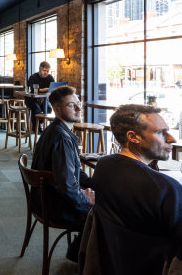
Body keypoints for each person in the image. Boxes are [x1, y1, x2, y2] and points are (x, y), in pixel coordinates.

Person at [86, 104, 182, 274]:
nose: (171, 139)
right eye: (161, 133)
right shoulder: (165, 190)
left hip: (116, 263)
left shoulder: (103, 166)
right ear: (133, 137)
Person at [30, 85, 94, 262]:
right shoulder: (62, 138)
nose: (79, 108)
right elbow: (66, 186)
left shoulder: (56, 130)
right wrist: (86, 201)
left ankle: (79, 251)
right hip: (52, 205)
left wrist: (97, 186)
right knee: (104, 213)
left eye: (78, 103)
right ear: (57, 110)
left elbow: (74, 174)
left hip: (41, 199)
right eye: (72, 105)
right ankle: (81, 256)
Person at [25, 61, 55, 130]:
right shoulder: (33, 77)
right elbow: (31, 89)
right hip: (31, 99)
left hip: (43, 99)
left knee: (49, 108)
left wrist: (44, 89)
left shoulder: (50, 77)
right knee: (37, 109)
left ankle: (39, 122)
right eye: (44, 70)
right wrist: (45, 89)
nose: (46, 73)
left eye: (47, 71)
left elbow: (53, 87)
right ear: (40, 69)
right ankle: (36, 128)